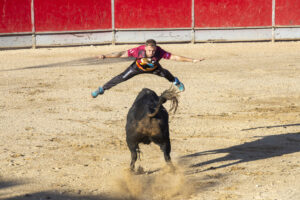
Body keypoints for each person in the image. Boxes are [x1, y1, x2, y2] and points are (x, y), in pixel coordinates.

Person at [91, 39, 204, 98]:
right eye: (149, 50)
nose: (151, 52)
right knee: (121, 77)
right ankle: (102, 89)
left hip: (154, 68)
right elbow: (121, 54)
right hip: (137, 67)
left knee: (165, 73)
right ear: (145, 48)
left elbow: (174, 57)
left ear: (156, 48)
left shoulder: (160, 52)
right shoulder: (138, 50)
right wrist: (105, 56)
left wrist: (192, 60)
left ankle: (176, 81)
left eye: (153, 51)